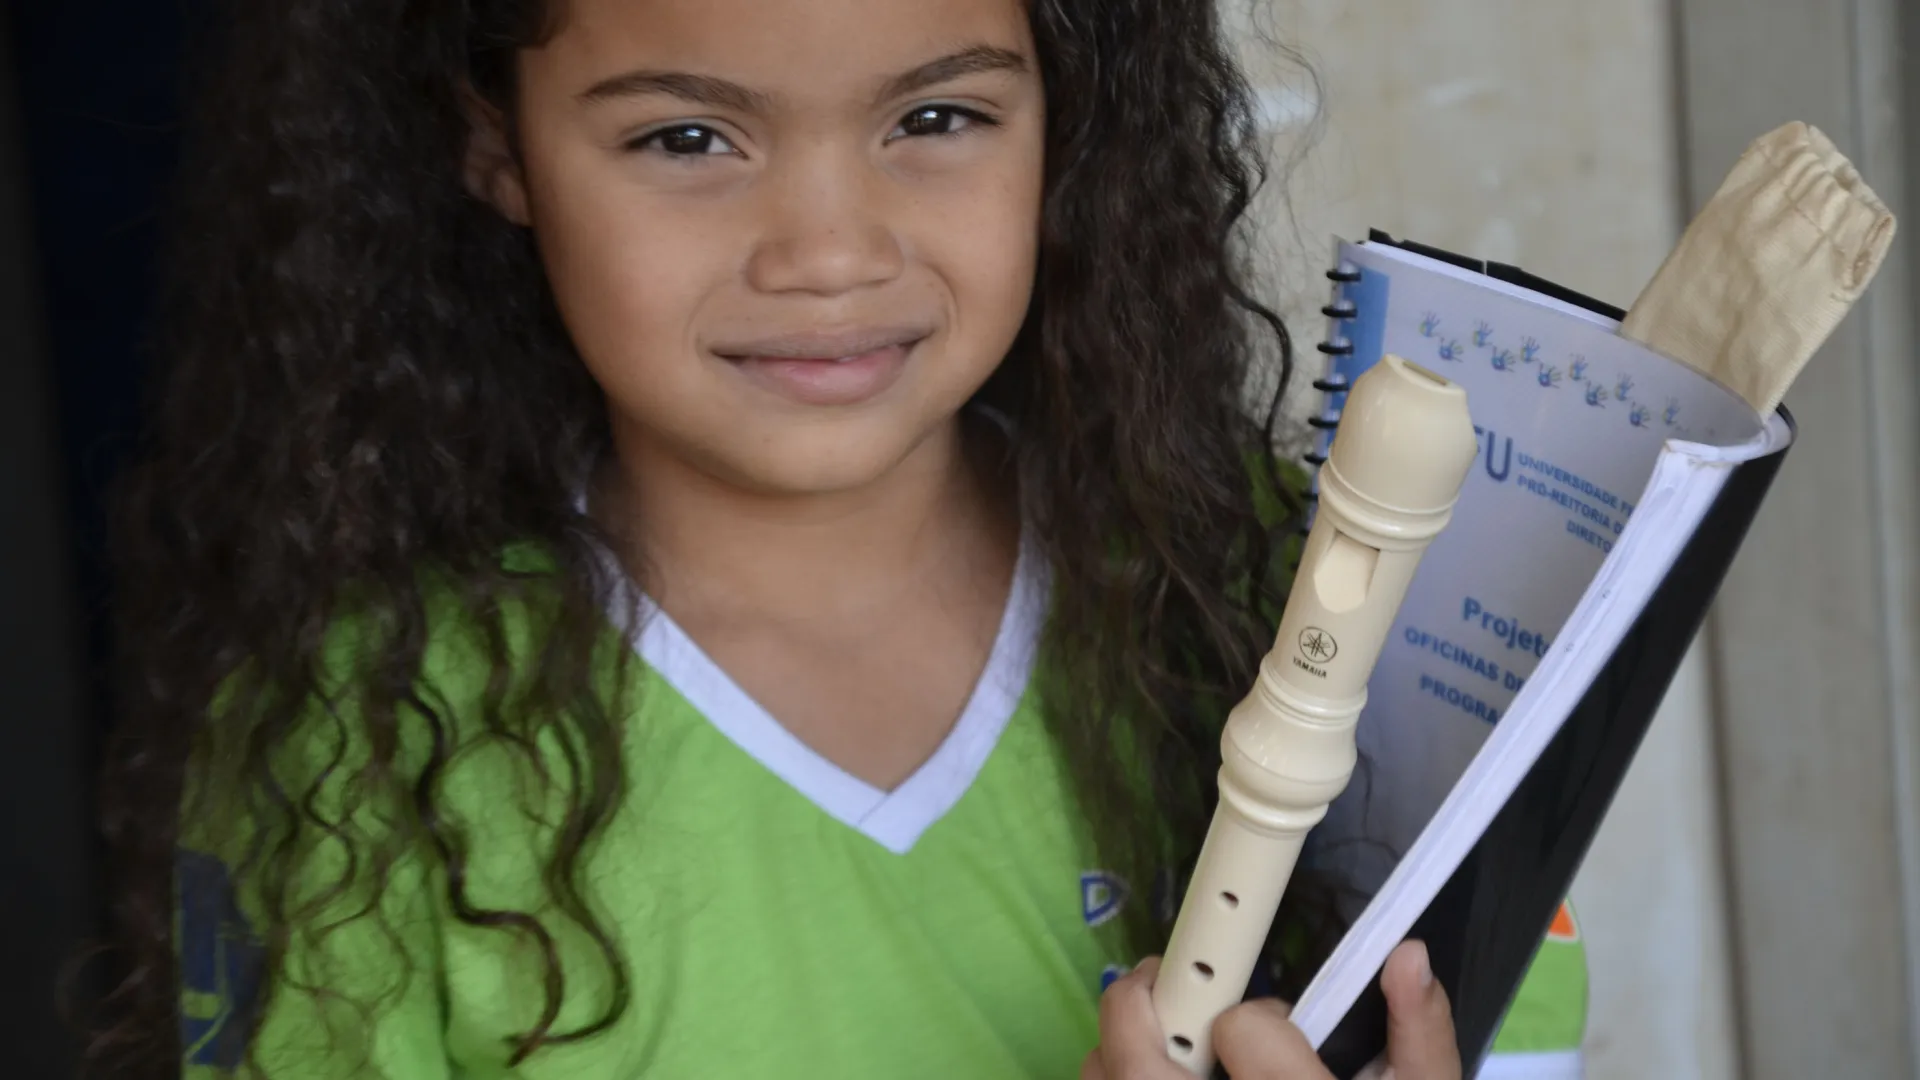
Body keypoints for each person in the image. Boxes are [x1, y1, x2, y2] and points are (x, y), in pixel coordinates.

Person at [92, 0, 1586, 1076]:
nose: (828, 252)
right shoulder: (362, 743)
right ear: (496, 142)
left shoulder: (1262, 586)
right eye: (687, 136)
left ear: (1068, 114)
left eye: (934, 119)